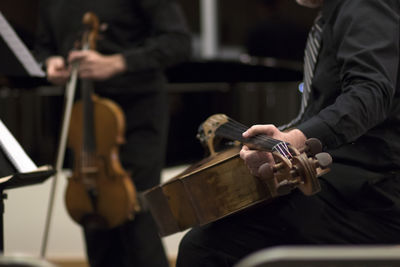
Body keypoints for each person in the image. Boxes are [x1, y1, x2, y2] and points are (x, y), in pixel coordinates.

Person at [176, 0, 400, 266]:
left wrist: (293, 139)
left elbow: (369, 95)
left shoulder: (364, 5)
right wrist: (279, 140)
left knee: (205, 246)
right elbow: (322, 111)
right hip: (343, 187)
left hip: (370, 199)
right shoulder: (336, 15)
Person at [34, 0, 191, 266]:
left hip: (137, 109)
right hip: (83, 114)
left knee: (135, 214)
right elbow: (44, 46)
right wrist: (50, 62)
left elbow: (178, 42)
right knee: (94, 216)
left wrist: (119, 62)